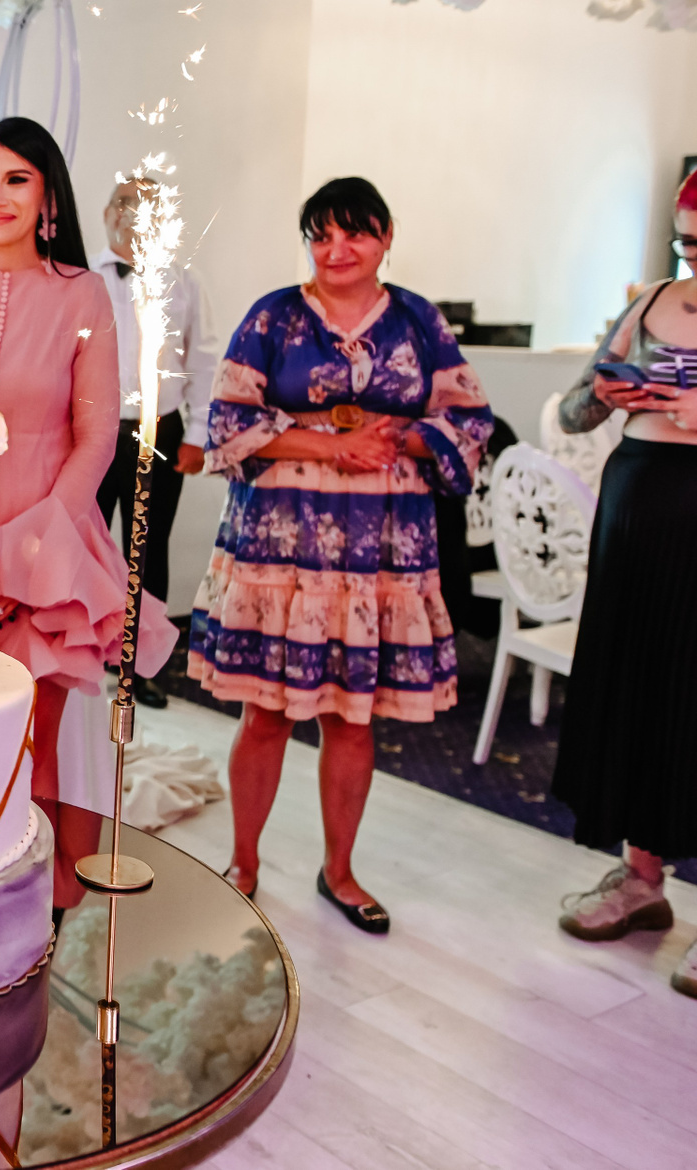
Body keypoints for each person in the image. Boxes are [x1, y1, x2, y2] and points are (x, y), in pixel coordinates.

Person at [188, 177, 492, 934]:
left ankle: (341, 872)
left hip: (381, 544)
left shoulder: (419, 320)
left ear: (385, 236)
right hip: (281, 542)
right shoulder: (273, 315)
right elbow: (227, 420)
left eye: (354, 232)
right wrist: (332, 445)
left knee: (353, 717)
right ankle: (243, 864)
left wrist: (400, 439)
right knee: (265, 712)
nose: (337, 249)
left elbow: (471, 418)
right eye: (320, 235)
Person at [0, 117, 177, 923]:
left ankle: (34, 920)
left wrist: (27, 558)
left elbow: (96, 437)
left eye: (16, 179)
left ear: (48, 198)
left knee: (37, 746)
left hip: (51, 553)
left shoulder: (81, 292)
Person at [550, 168, 697, 999]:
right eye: (686, 241)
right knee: (637, 685)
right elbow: (575, 409)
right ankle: (642, 878)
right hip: (637, 509)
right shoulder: (649, 304)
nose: (694, 255)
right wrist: (605, 394)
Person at [92, 178, 223, 708]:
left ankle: (143, 666)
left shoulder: (186, 282)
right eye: (124, 203)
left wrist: (198, 435)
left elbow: (205, 361)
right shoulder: (82, 278)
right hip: (92, 432)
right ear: (108, 212)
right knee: (86, 545)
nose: (133, 214)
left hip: (160, 430)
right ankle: (86, 653)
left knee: (146, 549)